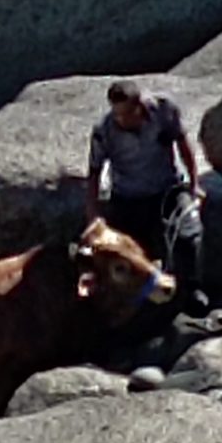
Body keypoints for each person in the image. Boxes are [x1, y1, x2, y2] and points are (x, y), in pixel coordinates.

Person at [85, 79, 210, 316]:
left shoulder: (164, 111)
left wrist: (194, 185)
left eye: (127, 114)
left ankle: (192, 289)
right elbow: (94, 171)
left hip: (167, 188)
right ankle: (135, 306)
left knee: (188, 233)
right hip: (127, 196)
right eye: (117, 114)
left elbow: (183, 144)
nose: (121, 120)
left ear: (140, 106)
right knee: (124, 251)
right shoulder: (104, 131)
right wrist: (93, 214)